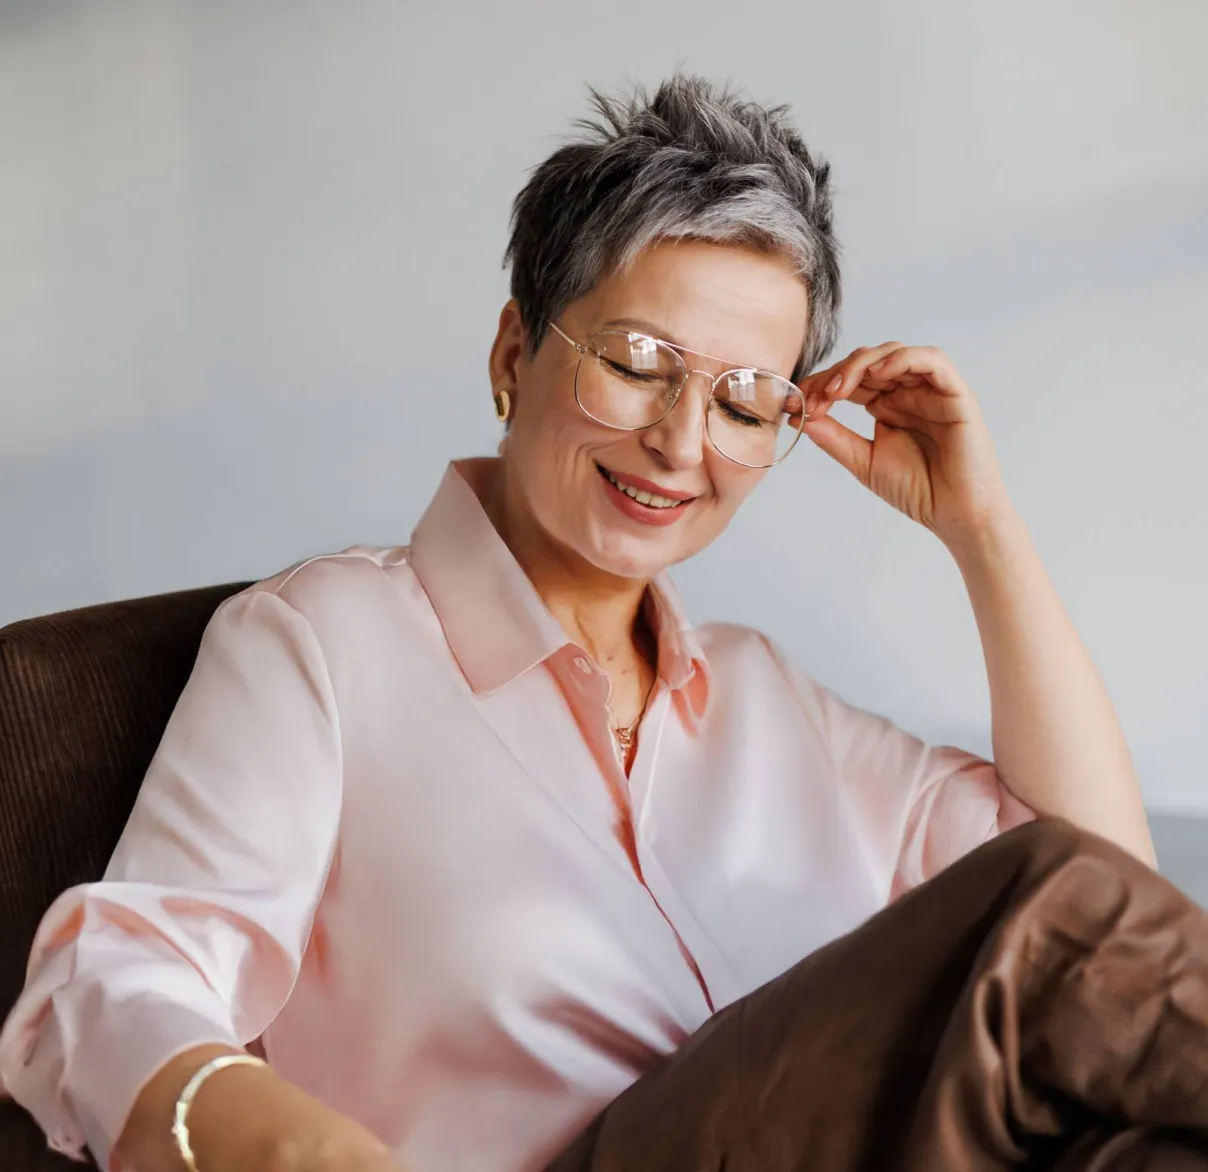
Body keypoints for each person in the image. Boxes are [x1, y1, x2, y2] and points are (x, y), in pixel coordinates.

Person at [0, 75, 1155, 1172]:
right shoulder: (326, 644)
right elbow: (118, 979)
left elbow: (1099, 915)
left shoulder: (768, 704)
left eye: (745, 400)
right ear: (514, 352)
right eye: (639, 362)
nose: (681, 441)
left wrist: (981, 528)